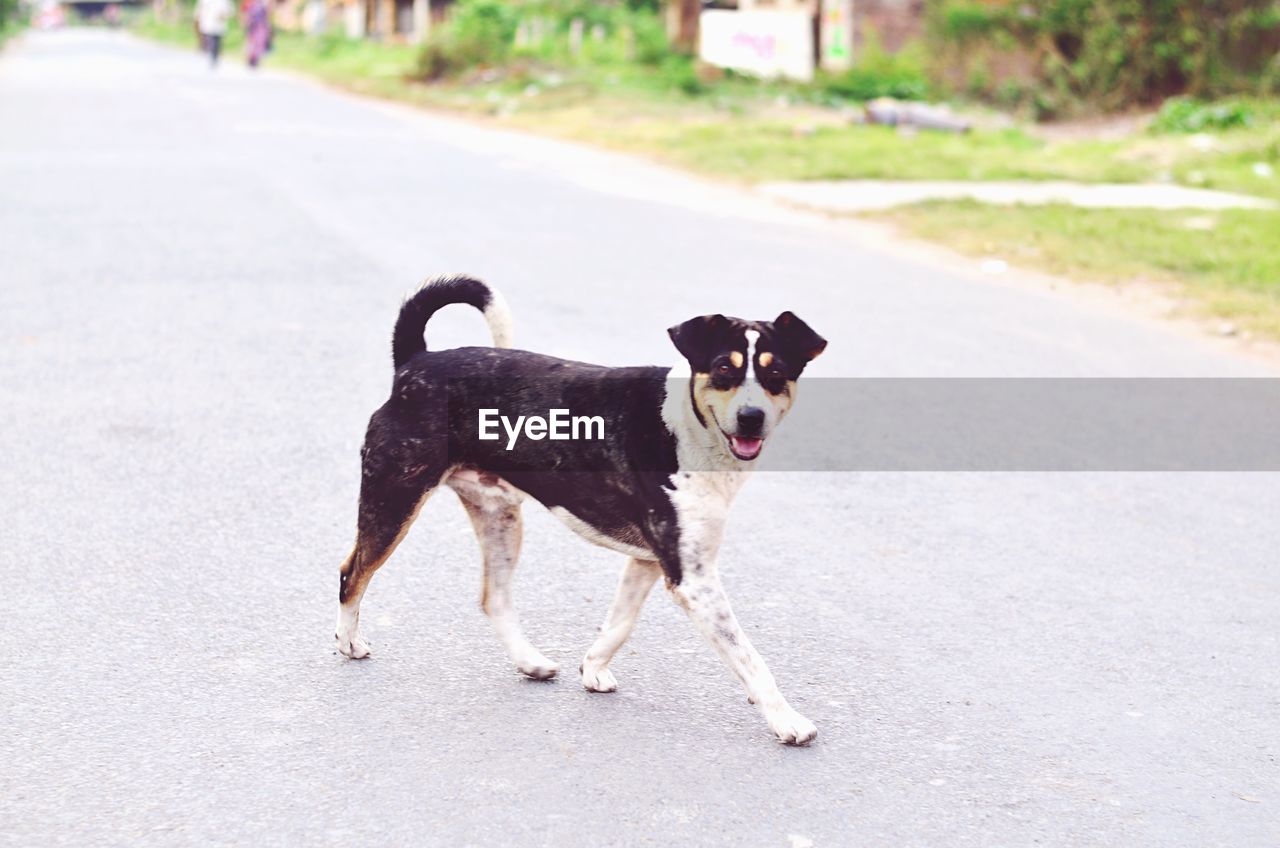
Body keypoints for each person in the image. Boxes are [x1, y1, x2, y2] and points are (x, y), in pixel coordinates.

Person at [196, 0, 232, 68]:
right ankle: (212, 56)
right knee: (211, 41)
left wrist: (224, 15)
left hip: (220, 25)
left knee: (218, 42)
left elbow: (229, 10)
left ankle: (215, 56)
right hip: (210, 23)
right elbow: (201, 8)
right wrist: (199, 17)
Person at [242, 0, 272, 69]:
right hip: (255, 26)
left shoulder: (263, 3)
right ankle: (252, 59)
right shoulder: (252, 3)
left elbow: (267, 15)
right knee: (254, 43)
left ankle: (256, 59)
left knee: (258, 43)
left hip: (259, 26)